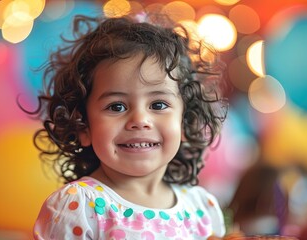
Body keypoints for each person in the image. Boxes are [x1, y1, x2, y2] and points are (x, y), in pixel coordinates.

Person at [29, 13, 228, 239]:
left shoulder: (201, 207)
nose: (139, 120)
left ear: (184, 123)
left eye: (159, 104)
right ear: (83, 126)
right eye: (116, 107)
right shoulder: (78, 207)